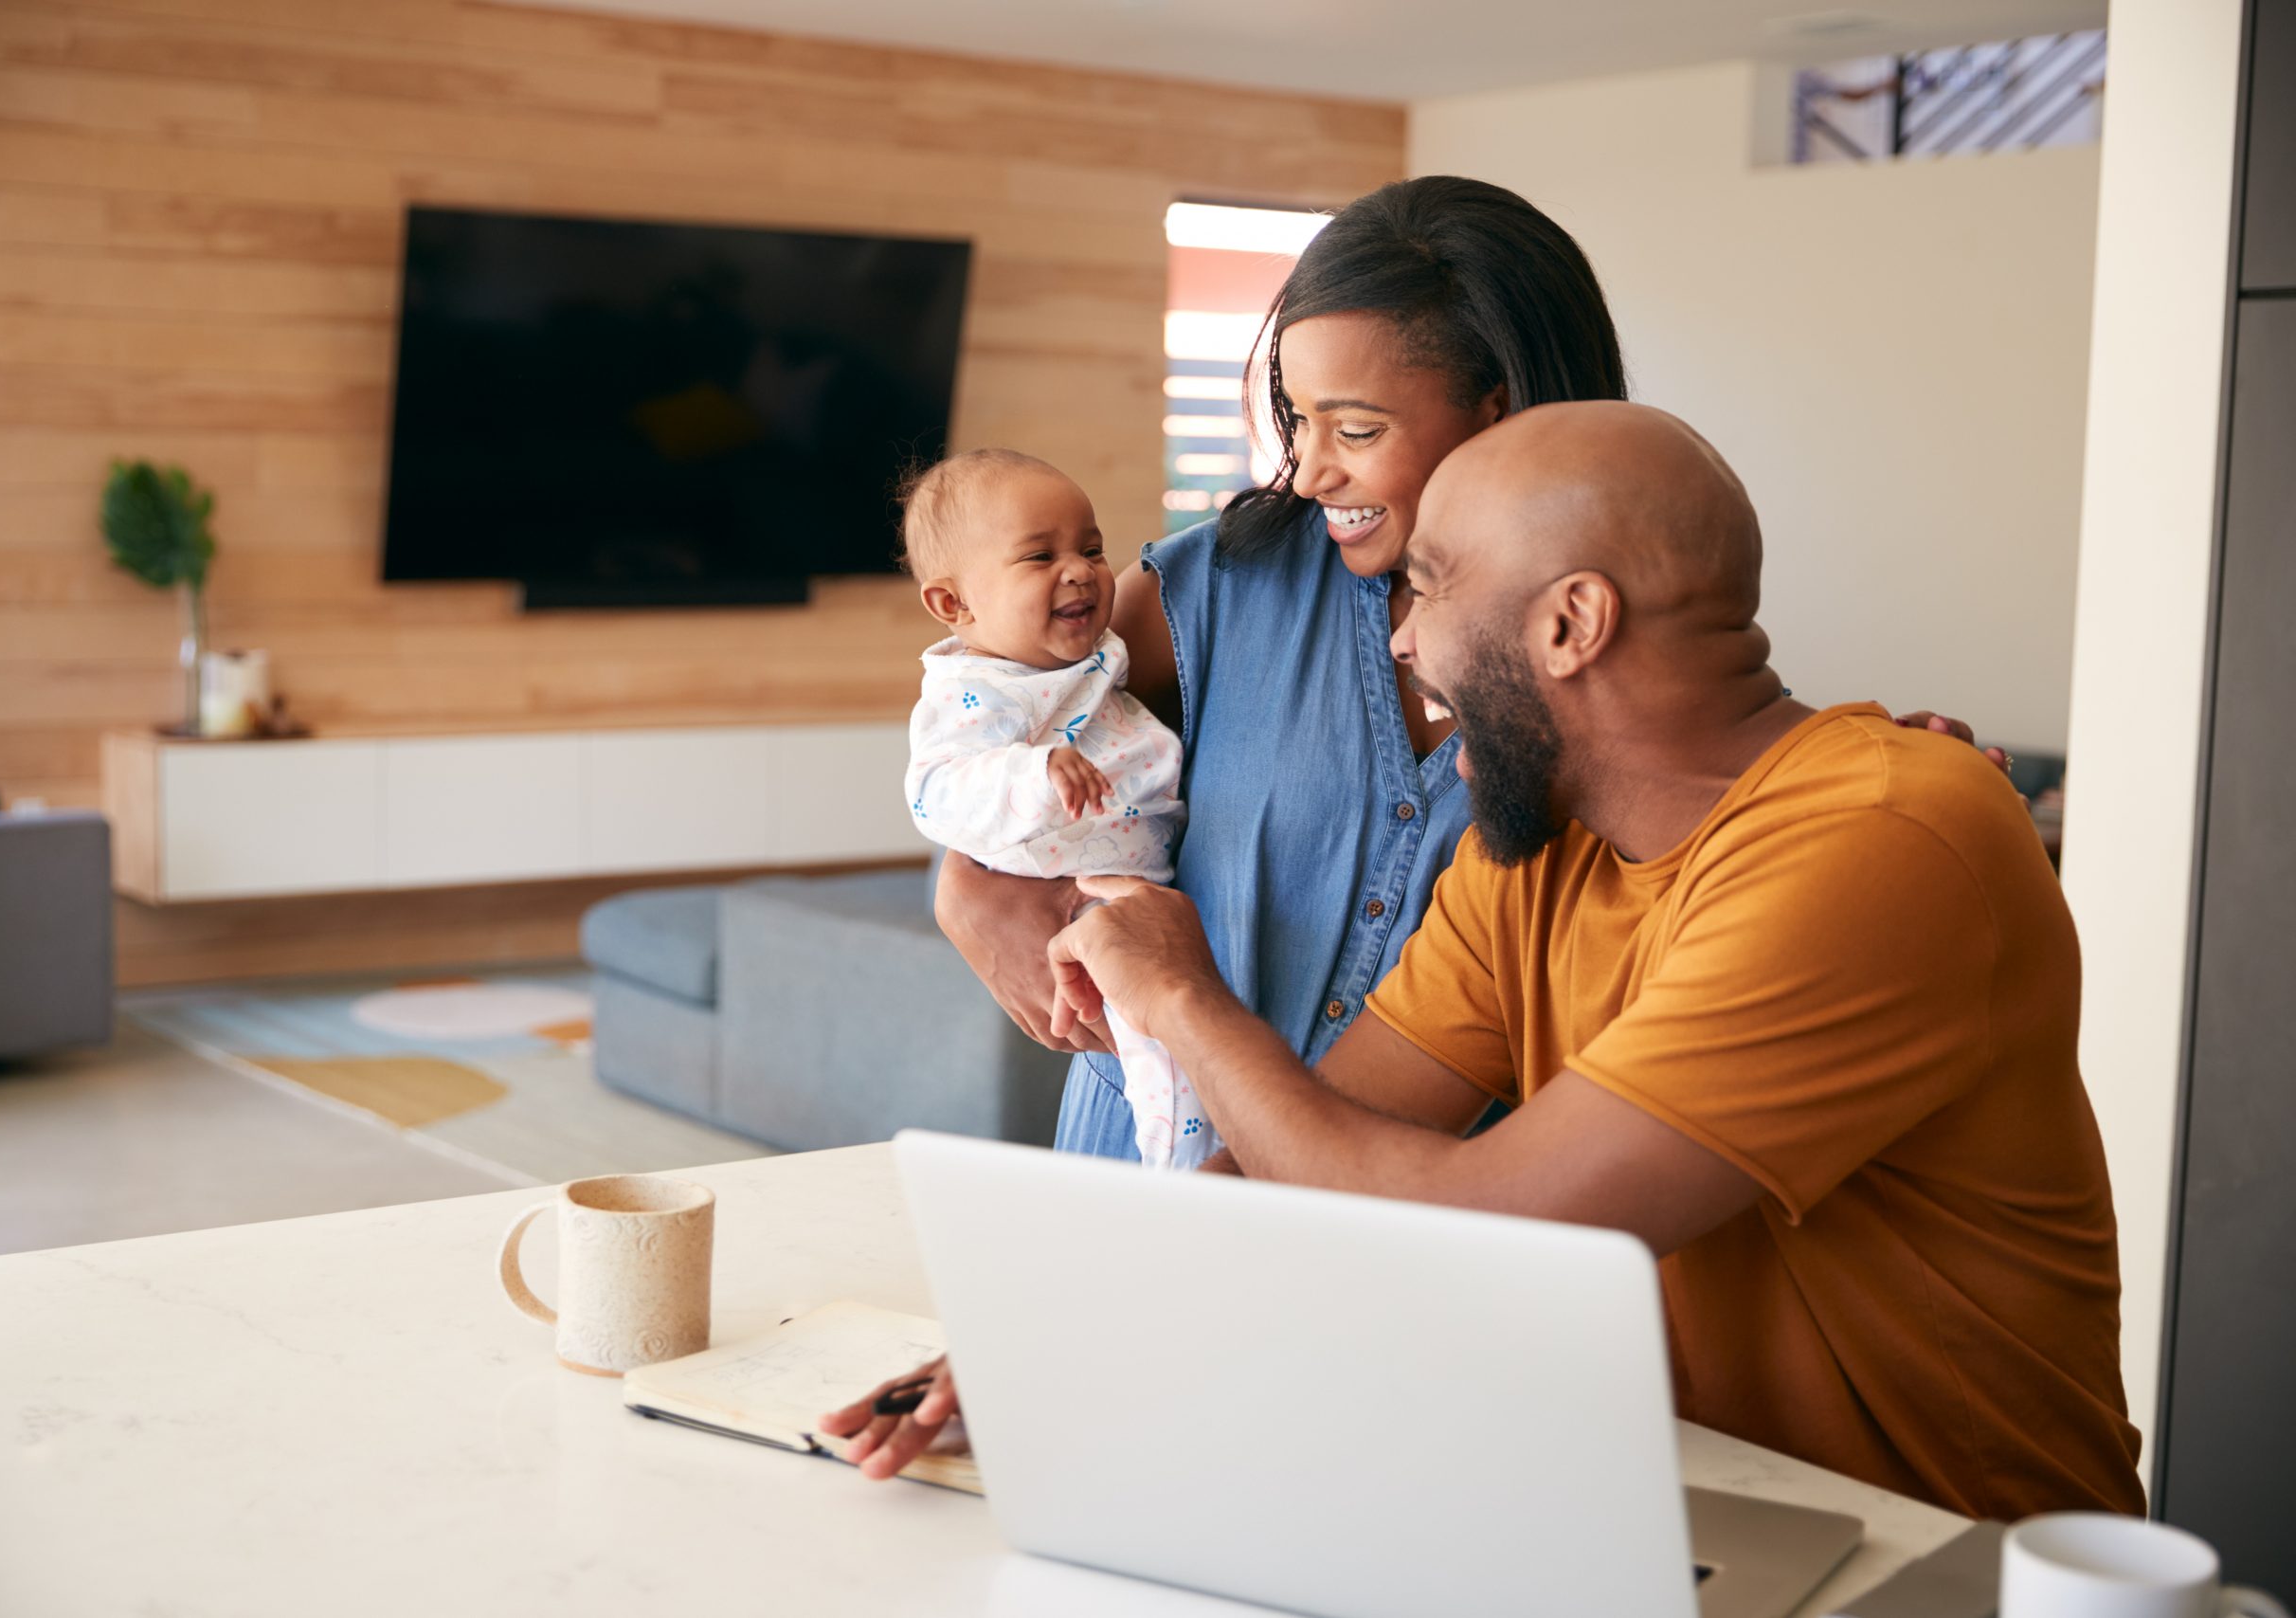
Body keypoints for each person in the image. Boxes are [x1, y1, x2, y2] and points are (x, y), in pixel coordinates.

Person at [825, 404, 2142, 1523]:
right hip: (1661, 1508)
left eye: (1433, 585)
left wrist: (1180, 993)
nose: (1400, 638)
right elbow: (1319, 1158)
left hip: (1933, 1550)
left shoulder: (1881, 836)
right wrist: (1057, 1332)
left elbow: (1483, 1226)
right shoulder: (1539, 857)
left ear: (1572, 623)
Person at [930, 175, 2005, 1164]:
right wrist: (966, 881)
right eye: (1296, 417)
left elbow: (1700, 786)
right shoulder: (1218, 587)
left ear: (1496, 406)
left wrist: (1861, 783)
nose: (1306, 468)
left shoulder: (1601, 640)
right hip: (1164, 1167)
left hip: (1454, 1194)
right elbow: (1002, 716)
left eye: (1356, 425)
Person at [898, 449, 1207, 1167]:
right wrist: (1033, 773)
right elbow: (936, 791)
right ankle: (1182, 1169)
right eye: (1039, 556)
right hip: (1078, 898)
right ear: (955, 605)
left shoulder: (1089, 662)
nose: (1080, 569)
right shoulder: (975, 691)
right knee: (1160, 1036)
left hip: (1143, 881)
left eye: (1092, 548)